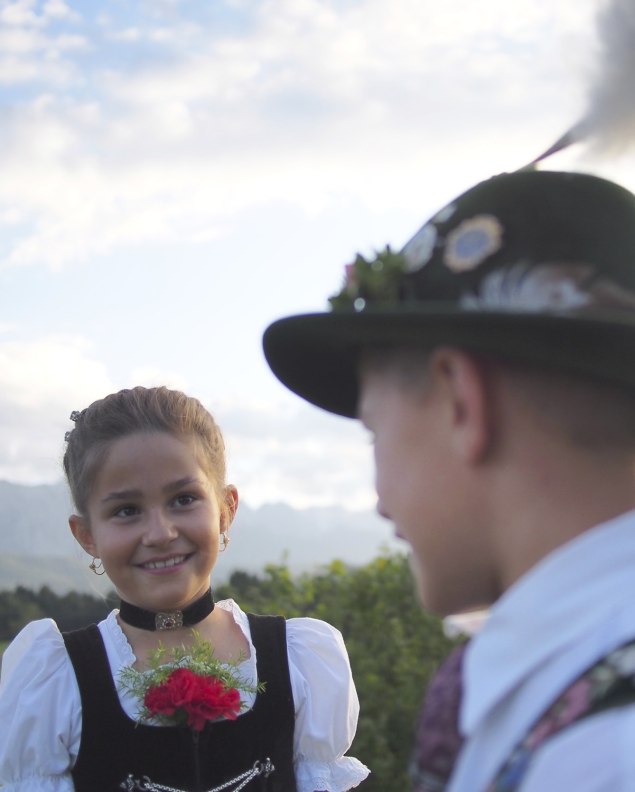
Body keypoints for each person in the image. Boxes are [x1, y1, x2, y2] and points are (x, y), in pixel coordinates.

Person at [262, 168, 635, 791]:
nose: (380, 503)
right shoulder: (573, 688)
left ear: (461, 403)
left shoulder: (600, 757)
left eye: (375, 433)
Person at [0, 386, 370, 792]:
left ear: (226, 509)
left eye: (184, 499)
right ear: (87, 535)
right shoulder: (58, 680)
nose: (160, 533)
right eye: (126, 511)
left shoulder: (298, 661)